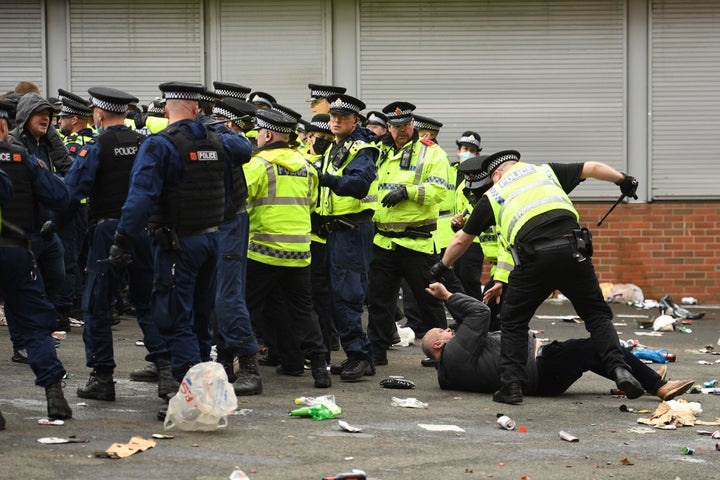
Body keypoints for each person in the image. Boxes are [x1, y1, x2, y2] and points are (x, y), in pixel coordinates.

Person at [432, 149, 645, 404]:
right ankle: (619, 369)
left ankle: (511, 386)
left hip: (534, 258)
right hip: (574, 251)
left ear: (497, 173)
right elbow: (593, 166)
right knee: (596, 315)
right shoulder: (546, 171)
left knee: (513, 321)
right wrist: (623, 180)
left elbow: (461, 239)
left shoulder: (494, 194)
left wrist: (442, 267)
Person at [109, 82, 248, 385]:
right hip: (212, 238)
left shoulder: (161, 144)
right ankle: (202, 385)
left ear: (164, 108)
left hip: (178, 242)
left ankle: (185, 390)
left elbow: (141, 198)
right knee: (200, 318)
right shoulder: (217, 140)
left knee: (175, 317)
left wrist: (122, 239)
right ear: (197, 107)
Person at [61, 86, 173, 402]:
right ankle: (165, 370)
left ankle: (102, 378)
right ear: (124, 113)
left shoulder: (97, 147)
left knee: (97, 305)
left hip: (107, 233)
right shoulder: (146, 144)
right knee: (148, 302)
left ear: (98, 115)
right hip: (144, 233)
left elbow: (72, 192)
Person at [422, 282, 694, 401]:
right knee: (594, 345)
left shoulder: (449, 369)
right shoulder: (456, 352)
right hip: (541, 369)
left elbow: (477, 325)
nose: (448, 330)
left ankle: (641, 377)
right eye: (442, 331)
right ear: (438, 345)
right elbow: (479, 313)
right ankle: (658, 387)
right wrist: (447, 296)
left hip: (538, 371)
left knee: (588, 352)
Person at [242, 108, 331, 389]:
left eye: (258, 132)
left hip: (262, 251)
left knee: (246, 307)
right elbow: (313, 204)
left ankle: (243, 365)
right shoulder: (307, 166)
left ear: (267, 135)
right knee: (303, 310)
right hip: (300, 252)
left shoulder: (257, 165)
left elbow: (240, 201)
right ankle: (319, 368)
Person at [0, 98, 73, 422]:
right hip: (17, 251)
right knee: (35, 326)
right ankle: (54, 393)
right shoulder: (22, 158)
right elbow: (60, 196)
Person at [366, 101, 450, 365]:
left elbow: (439, 191)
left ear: (413, 125)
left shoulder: (432, 153)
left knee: (430, 301)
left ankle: (445, 354)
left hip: (417, 242)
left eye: (406, 126)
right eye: (395, 126)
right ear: (388, 127)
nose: (401, 131)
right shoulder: (378, 151)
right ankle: (376, 352)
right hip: (384, 241)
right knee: (380, 301)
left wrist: (407, 192)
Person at [315, 94, 379, 381]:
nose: (336, 121)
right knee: (334, 295)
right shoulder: (335, 147)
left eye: (343, 117)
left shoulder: (363, 149)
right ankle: (359, 354)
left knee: (348, 295)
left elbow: (358, 184)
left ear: (356, 121)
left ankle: (360, 356)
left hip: (353, 230)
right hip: (335, 230)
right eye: (333, 117)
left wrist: (324, 178)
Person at [207, 96, 259, 396]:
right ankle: (224, 360)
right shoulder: (197, 133)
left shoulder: (223, 137)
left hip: (229, 222)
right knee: (213, 297)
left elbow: (243, 150)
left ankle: (248, 363)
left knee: (228, 297)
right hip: (210, 224)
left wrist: (220, 129)